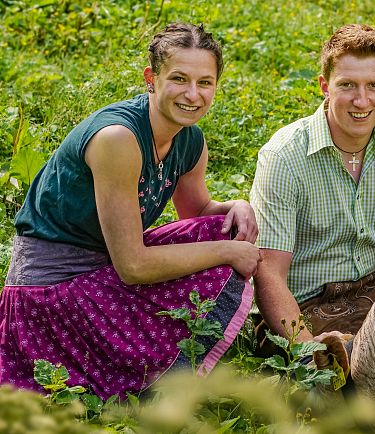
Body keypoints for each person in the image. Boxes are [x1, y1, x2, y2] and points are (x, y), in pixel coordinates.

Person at [0, 23, 262, 400]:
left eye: (205, 82)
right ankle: (153, 386)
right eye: (179, 78)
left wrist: (237, 205)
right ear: (151, 78)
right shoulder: (118, 139)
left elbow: (198, 213)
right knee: (225, 249)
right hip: (49, 293)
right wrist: (228, 252)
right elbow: (133, 266)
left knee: (223, 231)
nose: (193, 94)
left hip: (101, 273)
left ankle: (147, 370)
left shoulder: (189, 140)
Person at [250, 24, 375, 350]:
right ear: (324, 86)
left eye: (373, 85)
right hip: (303, 305)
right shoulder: (284, 156)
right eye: (347, 85)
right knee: (365, 367)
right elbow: (269, 274)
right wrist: (308, 351)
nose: (361, 100)